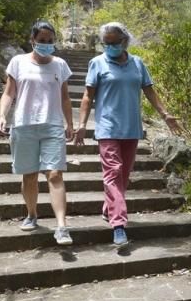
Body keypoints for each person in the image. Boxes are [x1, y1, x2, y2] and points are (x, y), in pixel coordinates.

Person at [74, 22, 181, 246]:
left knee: (123, 176)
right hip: (107, 127)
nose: (109, 46)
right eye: (106, 43)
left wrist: (165, 114)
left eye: (114, 42)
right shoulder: (97, 63)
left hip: (131, 127)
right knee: (113, 172)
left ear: (125, 41)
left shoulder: (138, 64)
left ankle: (108, 208)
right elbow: (87, 96)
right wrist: (82, 124)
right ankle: (119, 224)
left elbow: (149, 90)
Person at [0, 20, 74, 245]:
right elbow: (9, 93)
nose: (46, 44)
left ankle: (62, 227)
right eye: (41, 41)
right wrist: (2, 115)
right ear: (32, 41)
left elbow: (65, 97)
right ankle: (32, 214)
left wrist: (70, 123)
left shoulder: (60, 64)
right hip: (24, 125)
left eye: (50, 41)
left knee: (55, 174)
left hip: (52, 125)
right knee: (29, 175)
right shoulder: (18, 62)